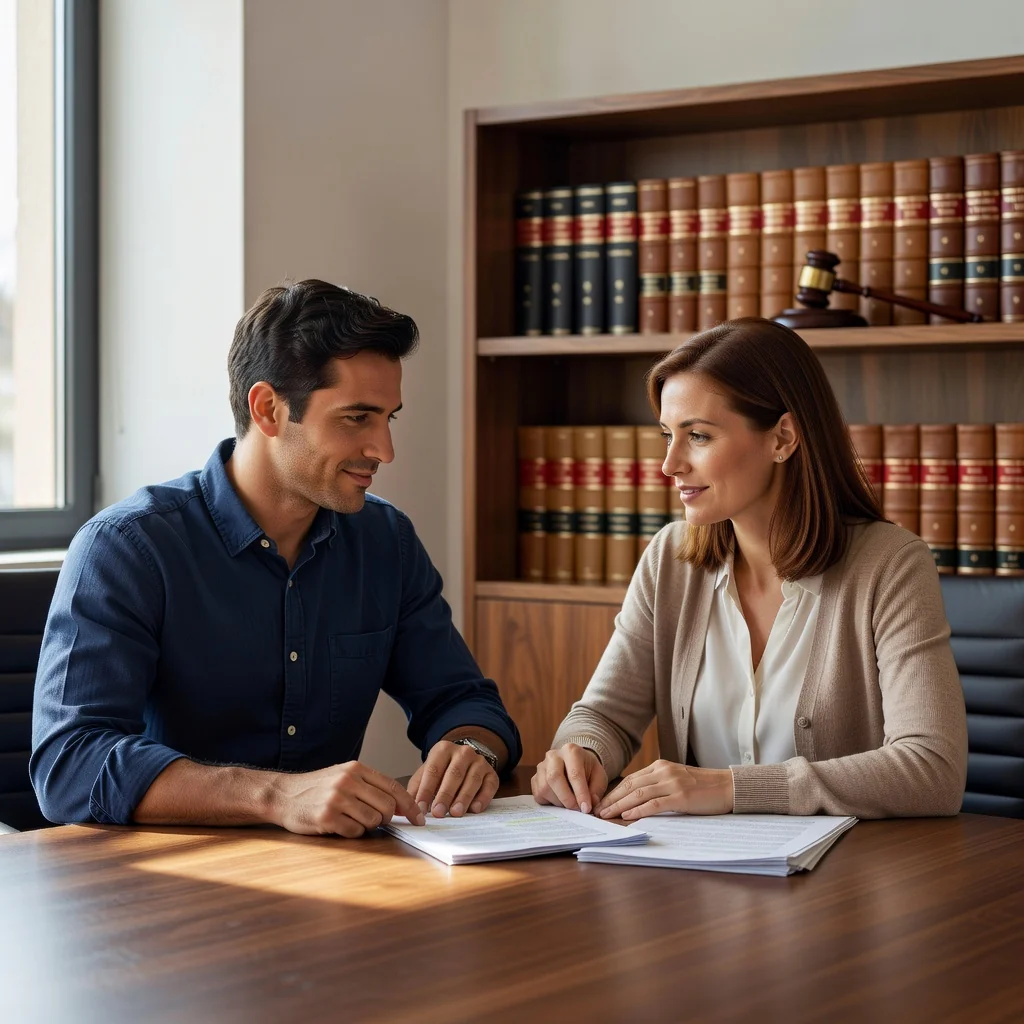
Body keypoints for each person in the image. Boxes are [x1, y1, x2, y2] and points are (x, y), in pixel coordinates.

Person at [31, 279, 521, 837]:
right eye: (356, 418)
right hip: (166, 888)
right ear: (267, 408)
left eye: (390, 418)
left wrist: (469, 746)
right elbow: (69, 765)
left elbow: (464, 700)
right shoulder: (128, 548)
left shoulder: (386, 541)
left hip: (334, 877)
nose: (385, 450)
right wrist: (275, 796)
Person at [532, 318, 967, 821]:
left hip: (844, 884)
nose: (669, 465)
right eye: (667, 436)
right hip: (698, 878)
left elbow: (933, 769)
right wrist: (582, 753)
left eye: (697, 436)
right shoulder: (670, 560)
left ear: (782, 438)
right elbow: (603, 714)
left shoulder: (890, 565)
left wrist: (733, 789)